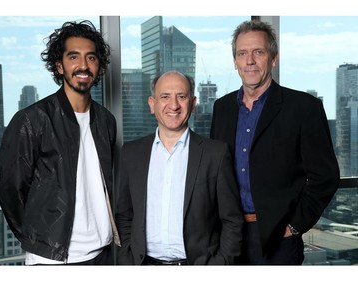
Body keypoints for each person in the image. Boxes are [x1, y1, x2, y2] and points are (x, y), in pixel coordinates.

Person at [210, 20, 340, 265]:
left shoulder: (303, 108)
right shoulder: (222, 108)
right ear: (235, 61)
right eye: (242, 53)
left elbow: (326, 176)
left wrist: (294, 225)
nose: (250, 60)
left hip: (279, 239)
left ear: (274, 58)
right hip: (229, 235)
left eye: (258, 52)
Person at [0, 20, 120, 265]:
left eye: (91, 58)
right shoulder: (32, 120)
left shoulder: (106, 120)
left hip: (101, 252)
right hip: (51, 258)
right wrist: (39, 239)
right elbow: (10, 191)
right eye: (73, 57)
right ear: (59, 66)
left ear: (99, 66)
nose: (83, 65)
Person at [115, 70, 243, 265]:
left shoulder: (215, 154)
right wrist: (127, 258)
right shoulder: (132, 154)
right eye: (165, 96)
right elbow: (125, 215)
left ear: (192, 104)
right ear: (152, 104)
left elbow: (232, 220)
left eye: (181, 97)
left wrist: (219, 266)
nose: (173, 105)